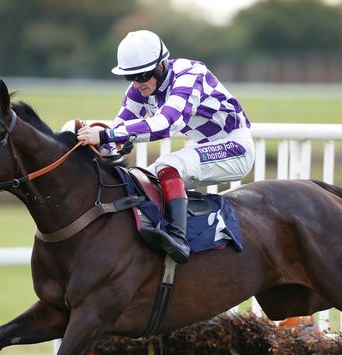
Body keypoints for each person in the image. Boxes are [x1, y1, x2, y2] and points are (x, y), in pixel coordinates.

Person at [77, 30, 254, 264]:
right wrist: (100, 145)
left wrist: (106, 134)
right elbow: (120, 126)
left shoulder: (190, 75)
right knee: (144, 179)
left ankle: (179, 240)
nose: (137, 83)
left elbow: (166, 124)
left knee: (168, 166)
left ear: (161, 66)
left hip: (235, 147)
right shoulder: (139, 89)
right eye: (130, 77)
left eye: (142, 75)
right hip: (206, 147)